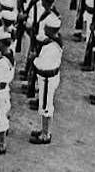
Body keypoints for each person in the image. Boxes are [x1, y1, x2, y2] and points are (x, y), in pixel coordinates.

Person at [29, 14, 63, 145]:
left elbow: (43, 66)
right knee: (44, 105)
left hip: (48, 78)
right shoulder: (54, 41)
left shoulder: (51, 47)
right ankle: (44, 129)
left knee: (46, 106)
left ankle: (45, 134)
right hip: (49, 78)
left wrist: (34, 60)